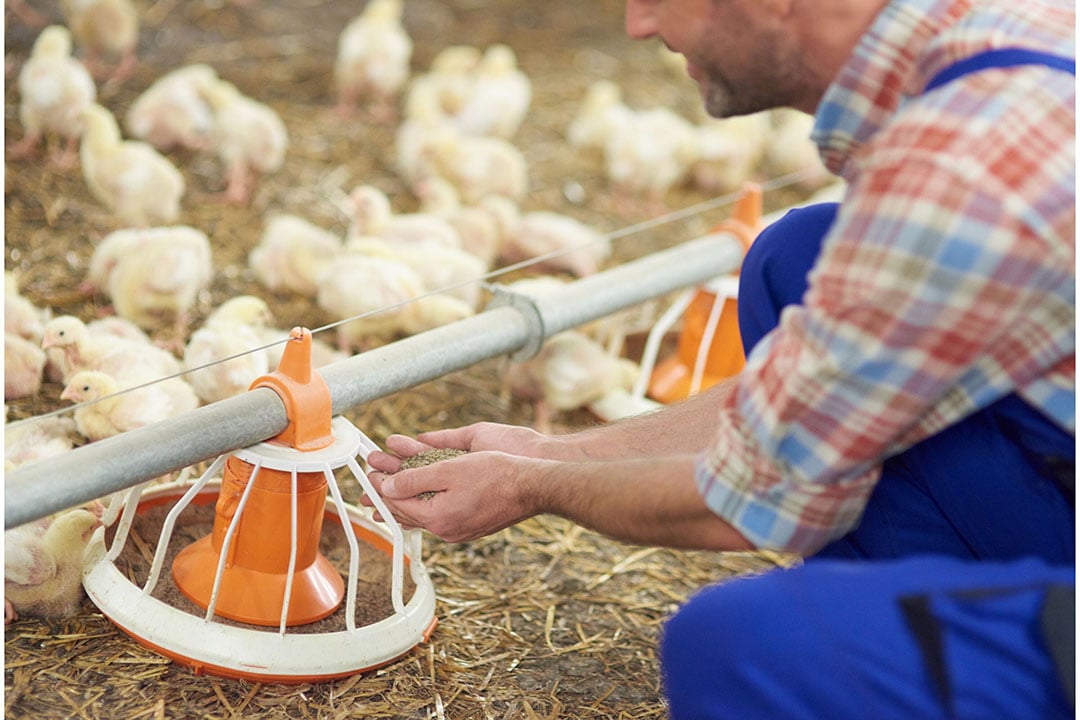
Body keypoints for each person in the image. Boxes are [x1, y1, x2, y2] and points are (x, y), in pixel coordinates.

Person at [365, 0, 1076, 717]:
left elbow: (744, 504)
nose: (636, 24)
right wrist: (552, 452)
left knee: (740, 644)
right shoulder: (1000, 39)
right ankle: (915, 629)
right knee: (794, 256)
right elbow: (810, 397)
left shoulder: (952, 173)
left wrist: (532, 487)